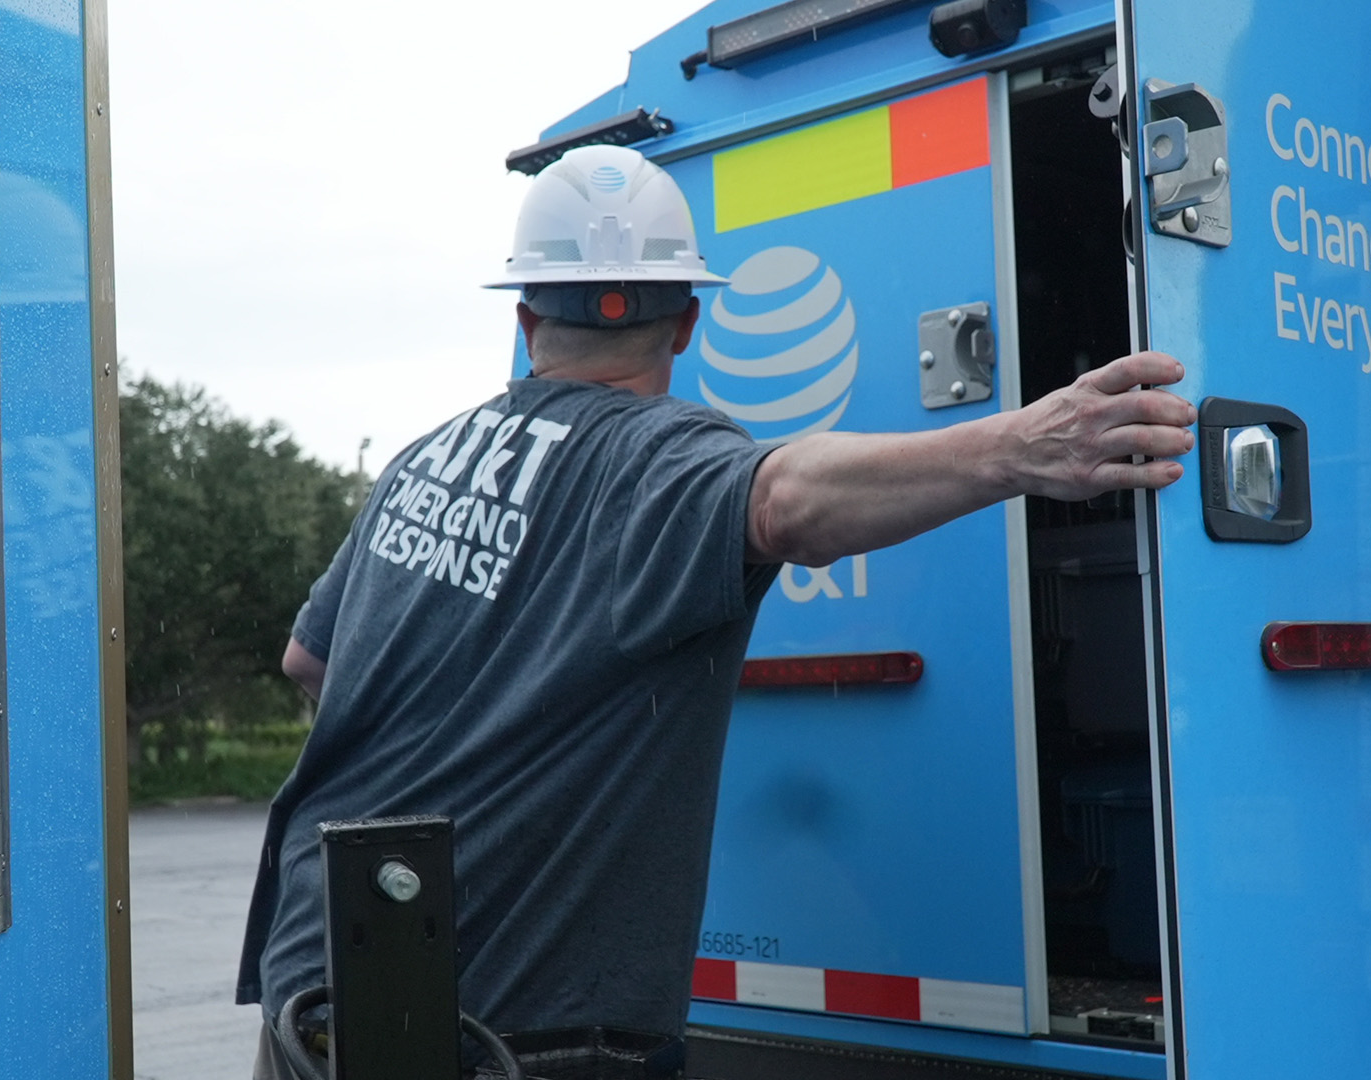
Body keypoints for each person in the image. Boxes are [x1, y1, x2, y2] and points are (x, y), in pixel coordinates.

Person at [237, 144, 1195, 1075]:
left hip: (317, 982)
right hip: (507, 1031)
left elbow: (308, 663)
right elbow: (783, 501)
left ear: (526, 320)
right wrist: (1021, 448)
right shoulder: (652, 453)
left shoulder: (422, 460)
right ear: (687, 322)